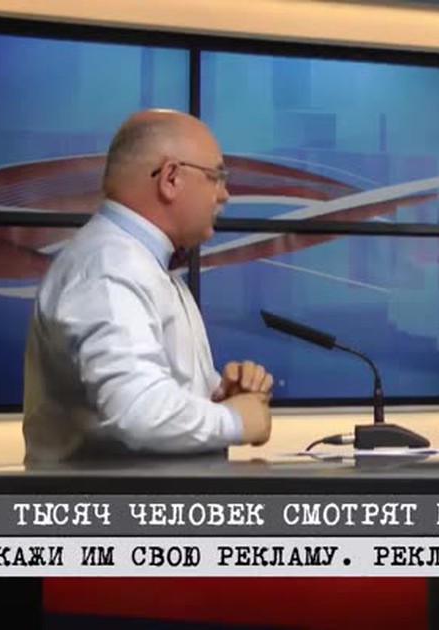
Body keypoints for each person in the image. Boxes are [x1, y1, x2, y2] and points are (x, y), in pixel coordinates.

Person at [22, 109, 273, 464]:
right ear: (170, 178)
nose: (225, 195)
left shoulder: (144, 266)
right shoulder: (109, 266)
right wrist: (234, 421)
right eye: (216, 177)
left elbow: (153, 399)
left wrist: (221, 397)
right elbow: (137, 410)